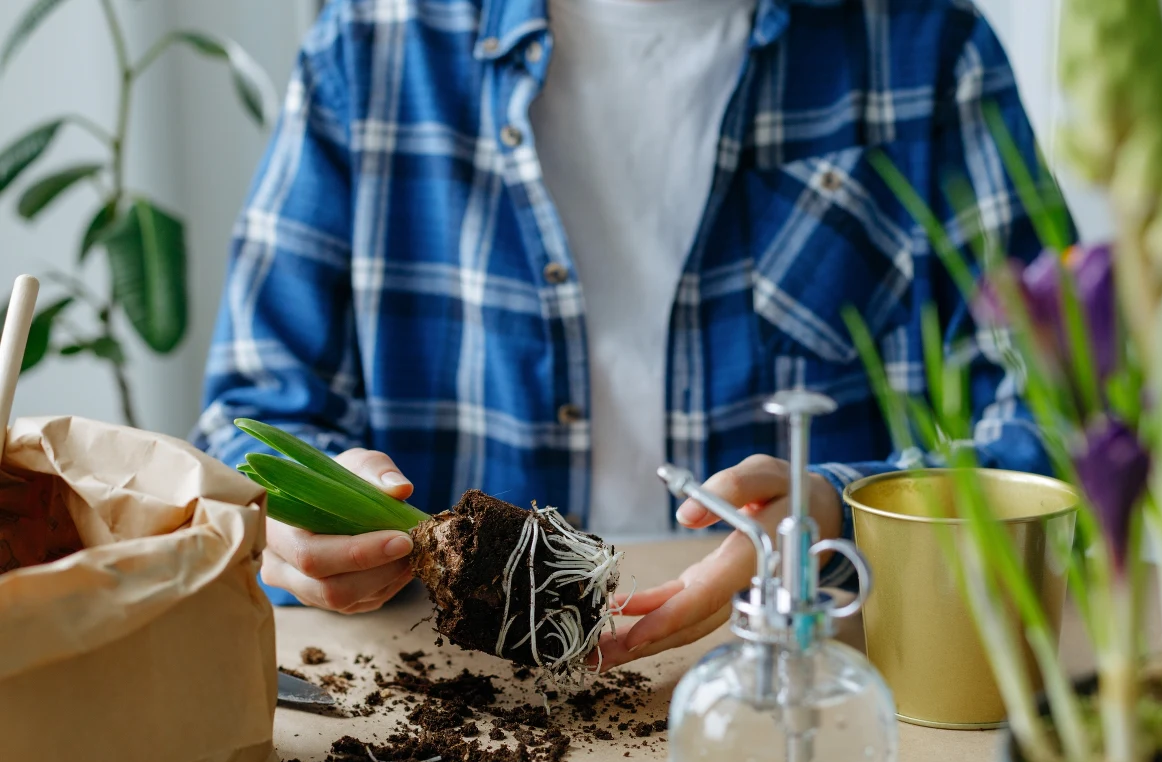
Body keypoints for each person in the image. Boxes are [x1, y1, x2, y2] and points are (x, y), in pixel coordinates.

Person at [193, 0, 1052, 669]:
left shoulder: (927, 51)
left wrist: (839, 510)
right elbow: (247, 421)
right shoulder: (371, 48)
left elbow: (1059, 429)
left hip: (799, 680)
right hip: (446, 694)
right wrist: (296, 518)